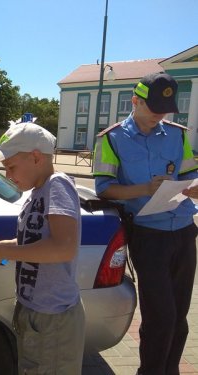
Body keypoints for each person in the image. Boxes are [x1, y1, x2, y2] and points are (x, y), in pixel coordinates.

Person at [93, 72, 198, 375]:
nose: (159, 115)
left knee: (179, 317)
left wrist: (191, 187)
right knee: (160, 317)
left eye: (164, 109)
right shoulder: (111, 138)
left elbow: (191, 174)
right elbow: (105, 188)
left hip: (184, 231)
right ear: (134, 100)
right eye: (153, 107)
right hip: (148, 237)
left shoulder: (177, 135)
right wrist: (144, 190)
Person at [0, 122, 85, 374]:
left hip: (53, 317)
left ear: (36, 157)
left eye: (11, 167)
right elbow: (35, 244)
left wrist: (4, 252)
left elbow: (63, 248)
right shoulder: (37, 192)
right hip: (35, 311)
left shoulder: (57, 185)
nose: (8, 175)